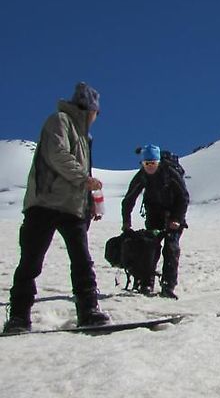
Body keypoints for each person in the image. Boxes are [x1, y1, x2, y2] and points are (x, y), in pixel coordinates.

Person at [2, 83, 110, 333]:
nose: (97, 117)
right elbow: (57, 154)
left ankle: (89, 311)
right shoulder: (60, 121)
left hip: (72, 209)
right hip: (45, 204)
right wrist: (84, 180)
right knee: (31, 261)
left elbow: (83, 172)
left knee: (82, 261)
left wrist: (88, 204)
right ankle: (19, 317)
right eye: (97, 112)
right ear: (89, 109)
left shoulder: (85, 138)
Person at [122, 144, 189, 299]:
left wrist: (177, 219)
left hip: (174, 214)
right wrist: (126, 222)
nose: (150, 167)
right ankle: (146, 282)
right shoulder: (142, 176)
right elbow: (129, 199)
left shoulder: (170, 173)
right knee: (149, 247)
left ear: (158, 162)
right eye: (147, 164)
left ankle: (168, 285)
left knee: (171, 248)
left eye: (153, 163)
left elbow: (183, 197)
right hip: (154, 214)